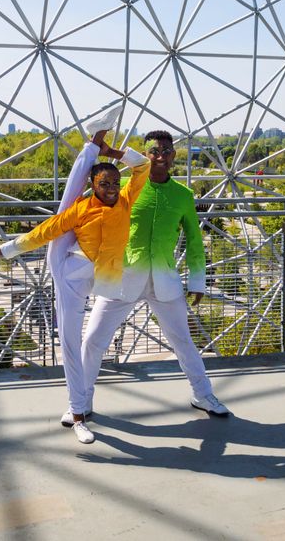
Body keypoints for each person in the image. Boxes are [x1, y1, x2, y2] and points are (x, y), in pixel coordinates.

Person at [0, 110, 149, 444]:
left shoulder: (126, 200)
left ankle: (94, 142)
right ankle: (78, 413)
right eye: (104, 184)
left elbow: (141, 168)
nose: (112, 188)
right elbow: (43, 232)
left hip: (106, 277)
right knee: (69, 342)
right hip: (70, 273)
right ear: (93, 186)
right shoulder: (81, 208)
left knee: (91, 340)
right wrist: (1, 251)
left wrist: (113, 154)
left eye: (114, 182)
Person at [80, 131, 230, 418]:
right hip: (123, 278)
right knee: (93, 340)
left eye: (165, 151)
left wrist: (198, 281)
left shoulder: (183, 195)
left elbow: (195, 241)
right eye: (154, 151)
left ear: (173, 156)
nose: (160, 156)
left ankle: (204, 395)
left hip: (165, 280)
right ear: (146, 154)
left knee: (183, 341)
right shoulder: (124, 186)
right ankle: (81, 401)